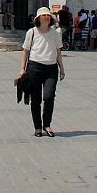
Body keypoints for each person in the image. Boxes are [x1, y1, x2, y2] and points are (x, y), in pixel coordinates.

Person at [18, 7, 65, 137]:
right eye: (44, 15)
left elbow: (58, 51)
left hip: (51, 69)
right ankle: (38, 127)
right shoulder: (32, 32)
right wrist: (22, 68)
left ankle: (47, 125)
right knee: (36, 99)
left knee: (49, 97)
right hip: (34, 68)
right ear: (38, 18)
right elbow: (25, 51)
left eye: (48, 15)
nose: (47, 17)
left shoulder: (55, 33)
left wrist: (62, 68)